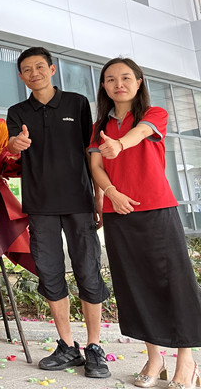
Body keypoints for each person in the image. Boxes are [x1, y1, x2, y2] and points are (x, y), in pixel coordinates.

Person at [89, 57, 201, 389]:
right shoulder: (98, 127)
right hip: (118, 214)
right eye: (110, 79)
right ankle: (155, 358)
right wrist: (111, 193)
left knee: (174, 283)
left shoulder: (154, 114)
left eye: (126, 77)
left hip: (157, 210)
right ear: (103, 86)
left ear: (139, 82)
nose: (118, 84)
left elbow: (140, 134)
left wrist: (119, 144)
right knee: (134, 285)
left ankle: (186, 359)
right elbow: (96, 167)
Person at [6, 46, 110, 378]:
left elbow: (91, 152)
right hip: (40, 206)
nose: (33, 73)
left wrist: (98, 197)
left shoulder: (77, 103)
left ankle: (94, 347)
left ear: (52, 70)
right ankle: (67, 345)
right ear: (21, 76)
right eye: (27, 69)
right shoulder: (17, 111)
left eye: (39, 66)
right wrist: (15, 144)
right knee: (50, 274)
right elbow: (11, 145)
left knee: (88, 271)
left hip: (79, 202)